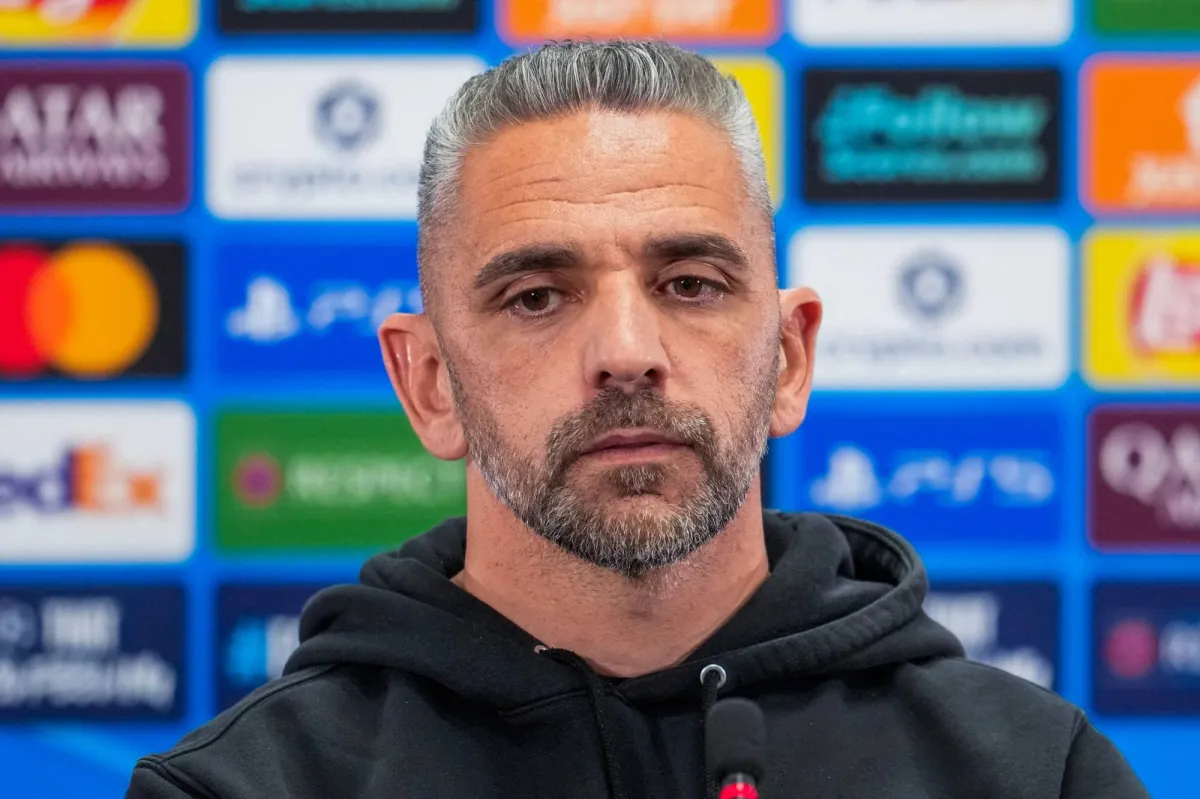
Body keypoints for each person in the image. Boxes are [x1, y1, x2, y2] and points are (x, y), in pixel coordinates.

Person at [126, 40, 1149, 799]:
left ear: (790, 359)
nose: (626, 350)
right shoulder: (242, 788)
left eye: (691, 283)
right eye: (537, 296)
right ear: (431, 383)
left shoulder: (1034, 773)